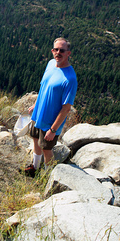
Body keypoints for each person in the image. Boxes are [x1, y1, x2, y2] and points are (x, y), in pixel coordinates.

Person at [24, 37, 77, 177]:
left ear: (68, 53)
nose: (58, 52)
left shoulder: (70, 79)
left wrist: (53, 129)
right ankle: (34, 168)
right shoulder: (50, 64)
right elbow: (44, 87)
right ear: (52, 51)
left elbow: (66, 108)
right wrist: (36, 105)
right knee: (35, 140)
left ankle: (48, 179)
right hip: (38, 114)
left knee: (47, 150)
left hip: (50, 123)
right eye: (56, 49)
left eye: (62, 50)